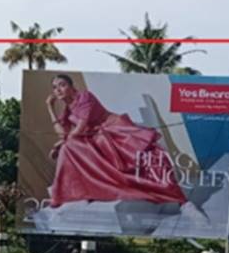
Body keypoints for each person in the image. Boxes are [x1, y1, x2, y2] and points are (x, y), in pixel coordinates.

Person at [44, 73, 186, 208]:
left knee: (143, 158)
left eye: (62, 85)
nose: (58, 90)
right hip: (96, 137)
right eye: (55, 88)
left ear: (71, 86)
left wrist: (58, 145)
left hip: (113, 129)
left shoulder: (85, 97)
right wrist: (50, 108)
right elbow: (63, 135)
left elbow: (78, 130)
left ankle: (164, 192)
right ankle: (72, 192)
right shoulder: (67, 110)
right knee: (69, 148)